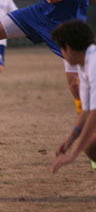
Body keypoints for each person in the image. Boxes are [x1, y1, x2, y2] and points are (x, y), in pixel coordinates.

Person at [51, 20, 96, 173]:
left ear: (68, 48)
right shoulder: (84, 63)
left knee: (90, 142)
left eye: (61, 49)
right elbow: (86, 110)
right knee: (90, 142)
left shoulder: (94, 62)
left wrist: (73, 154)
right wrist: (69, 141)